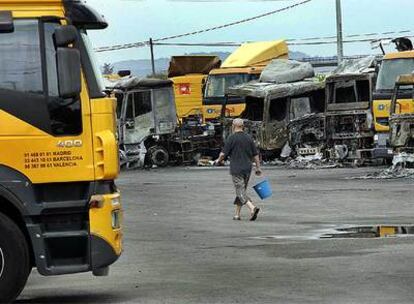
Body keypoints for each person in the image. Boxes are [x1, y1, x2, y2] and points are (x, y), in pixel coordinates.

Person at [215, 118, 262, 221]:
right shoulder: (249, 138)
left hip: (236, 169)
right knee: (242, 191)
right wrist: (258, 168)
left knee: (240, 191)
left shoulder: (231, 138)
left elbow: (223, 154)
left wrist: (218, 160)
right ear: (243, 126)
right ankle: (237, 214)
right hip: (247, 169)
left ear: (233, 126)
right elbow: (255, 155)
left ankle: (252, 208)